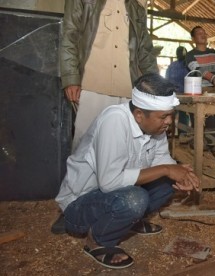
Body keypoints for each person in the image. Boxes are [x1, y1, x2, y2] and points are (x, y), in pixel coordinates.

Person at [55, 73, 200, 269]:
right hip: (80, 204)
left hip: (114, 194)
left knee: (167, 182)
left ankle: (129, 221)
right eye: (164, 117)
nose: (168, 122)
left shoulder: (155, 127)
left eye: (170, 116)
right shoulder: (114, 120)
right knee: (135, 198)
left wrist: (179, 172)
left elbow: (161, 158)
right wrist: (167, 168)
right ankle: (98, 241)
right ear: (139, 114)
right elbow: (109, 182)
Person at [60, 0, 159, 151]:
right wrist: (70, 77)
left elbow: (145, 51)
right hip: (92, 87)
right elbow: (69, 36)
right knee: (85, 149)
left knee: (121, 150)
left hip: (126, 92)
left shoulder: (136, 7)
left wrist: (157, 88)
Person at [186, 26, 215, 129]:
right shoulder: (190, 55)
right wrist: (214, 79)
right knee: (201, 124)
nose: (203, 35)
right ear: (193, 39)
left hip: (214, 91)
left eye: (204, 33)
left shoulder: (213, 52)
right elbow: (198, 70)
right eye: (199, 33)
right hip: (199, 91)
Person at [165, 46, 189, 134]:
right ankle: (183, 135)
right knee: (183, 115)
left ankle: (169, 134)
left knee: (171, 114)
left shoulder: (172, 65)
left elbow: (166, 78)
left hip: (172, 94)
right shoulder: (186, 65)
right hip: (183, 95)